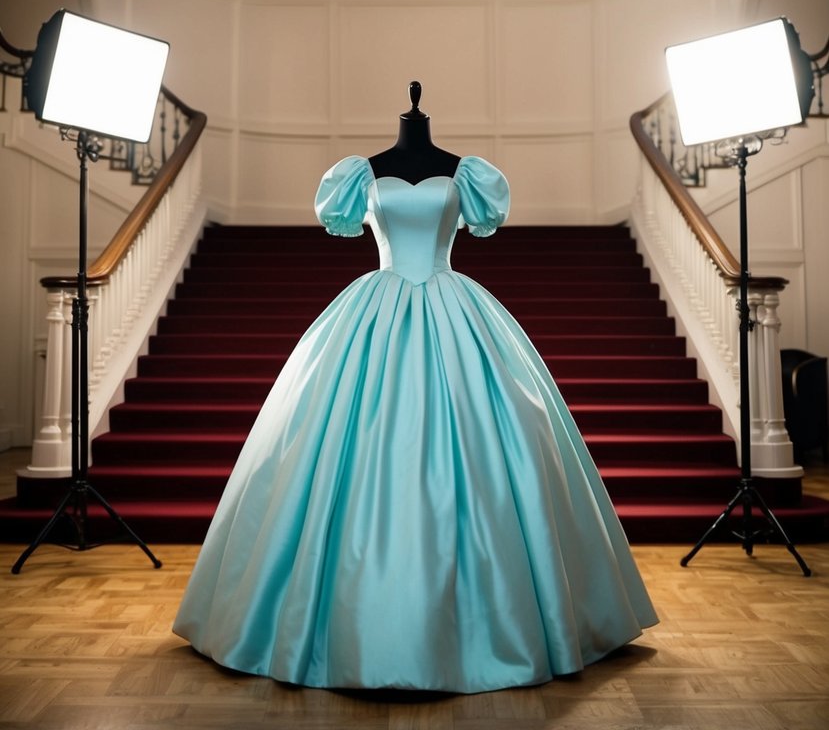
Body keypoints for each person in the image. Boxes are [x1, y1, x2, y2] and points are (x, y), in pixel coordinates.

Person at [173, 84, 657, 692]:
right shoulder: (360, 175)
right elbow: (347, 226)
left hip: (456, 307)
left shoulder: (467, 174)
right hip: (373, 306)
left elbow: (478, 223)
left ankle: (500, 630)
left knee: (509, 436)